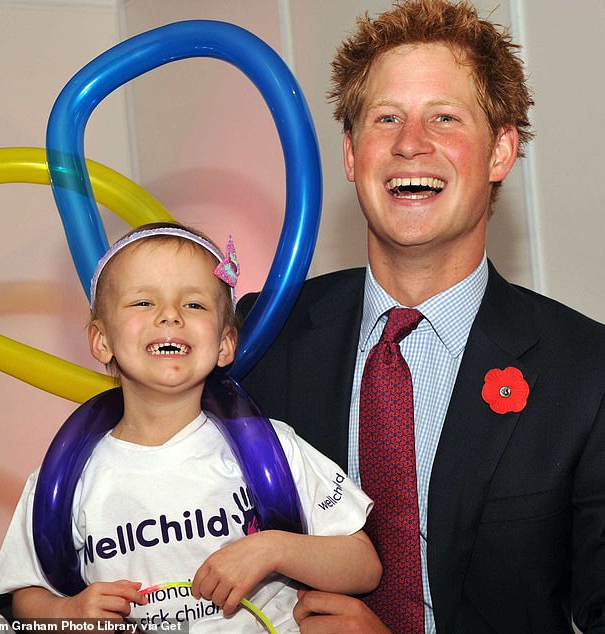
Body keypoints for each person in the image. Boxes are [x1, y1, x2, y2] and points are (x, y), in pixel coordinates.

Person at [238, 1, 605, 632]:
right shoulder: (259, 338)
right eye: (386, 118)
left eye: (444, 117)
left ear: (500, 153)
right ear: (352, 156)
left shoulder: (586, 373)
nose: (411, 142)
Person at [0, 222, 382, 633]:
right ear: (101, 341)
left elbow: (363, 566)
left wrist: (274, 549)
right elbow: (26, 598)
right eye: (142, 302)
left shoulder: (273, 449)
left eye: (194, 305)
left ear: (225, 343)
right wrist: (68, 615)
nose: (170, 316)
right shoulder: (64, 480)